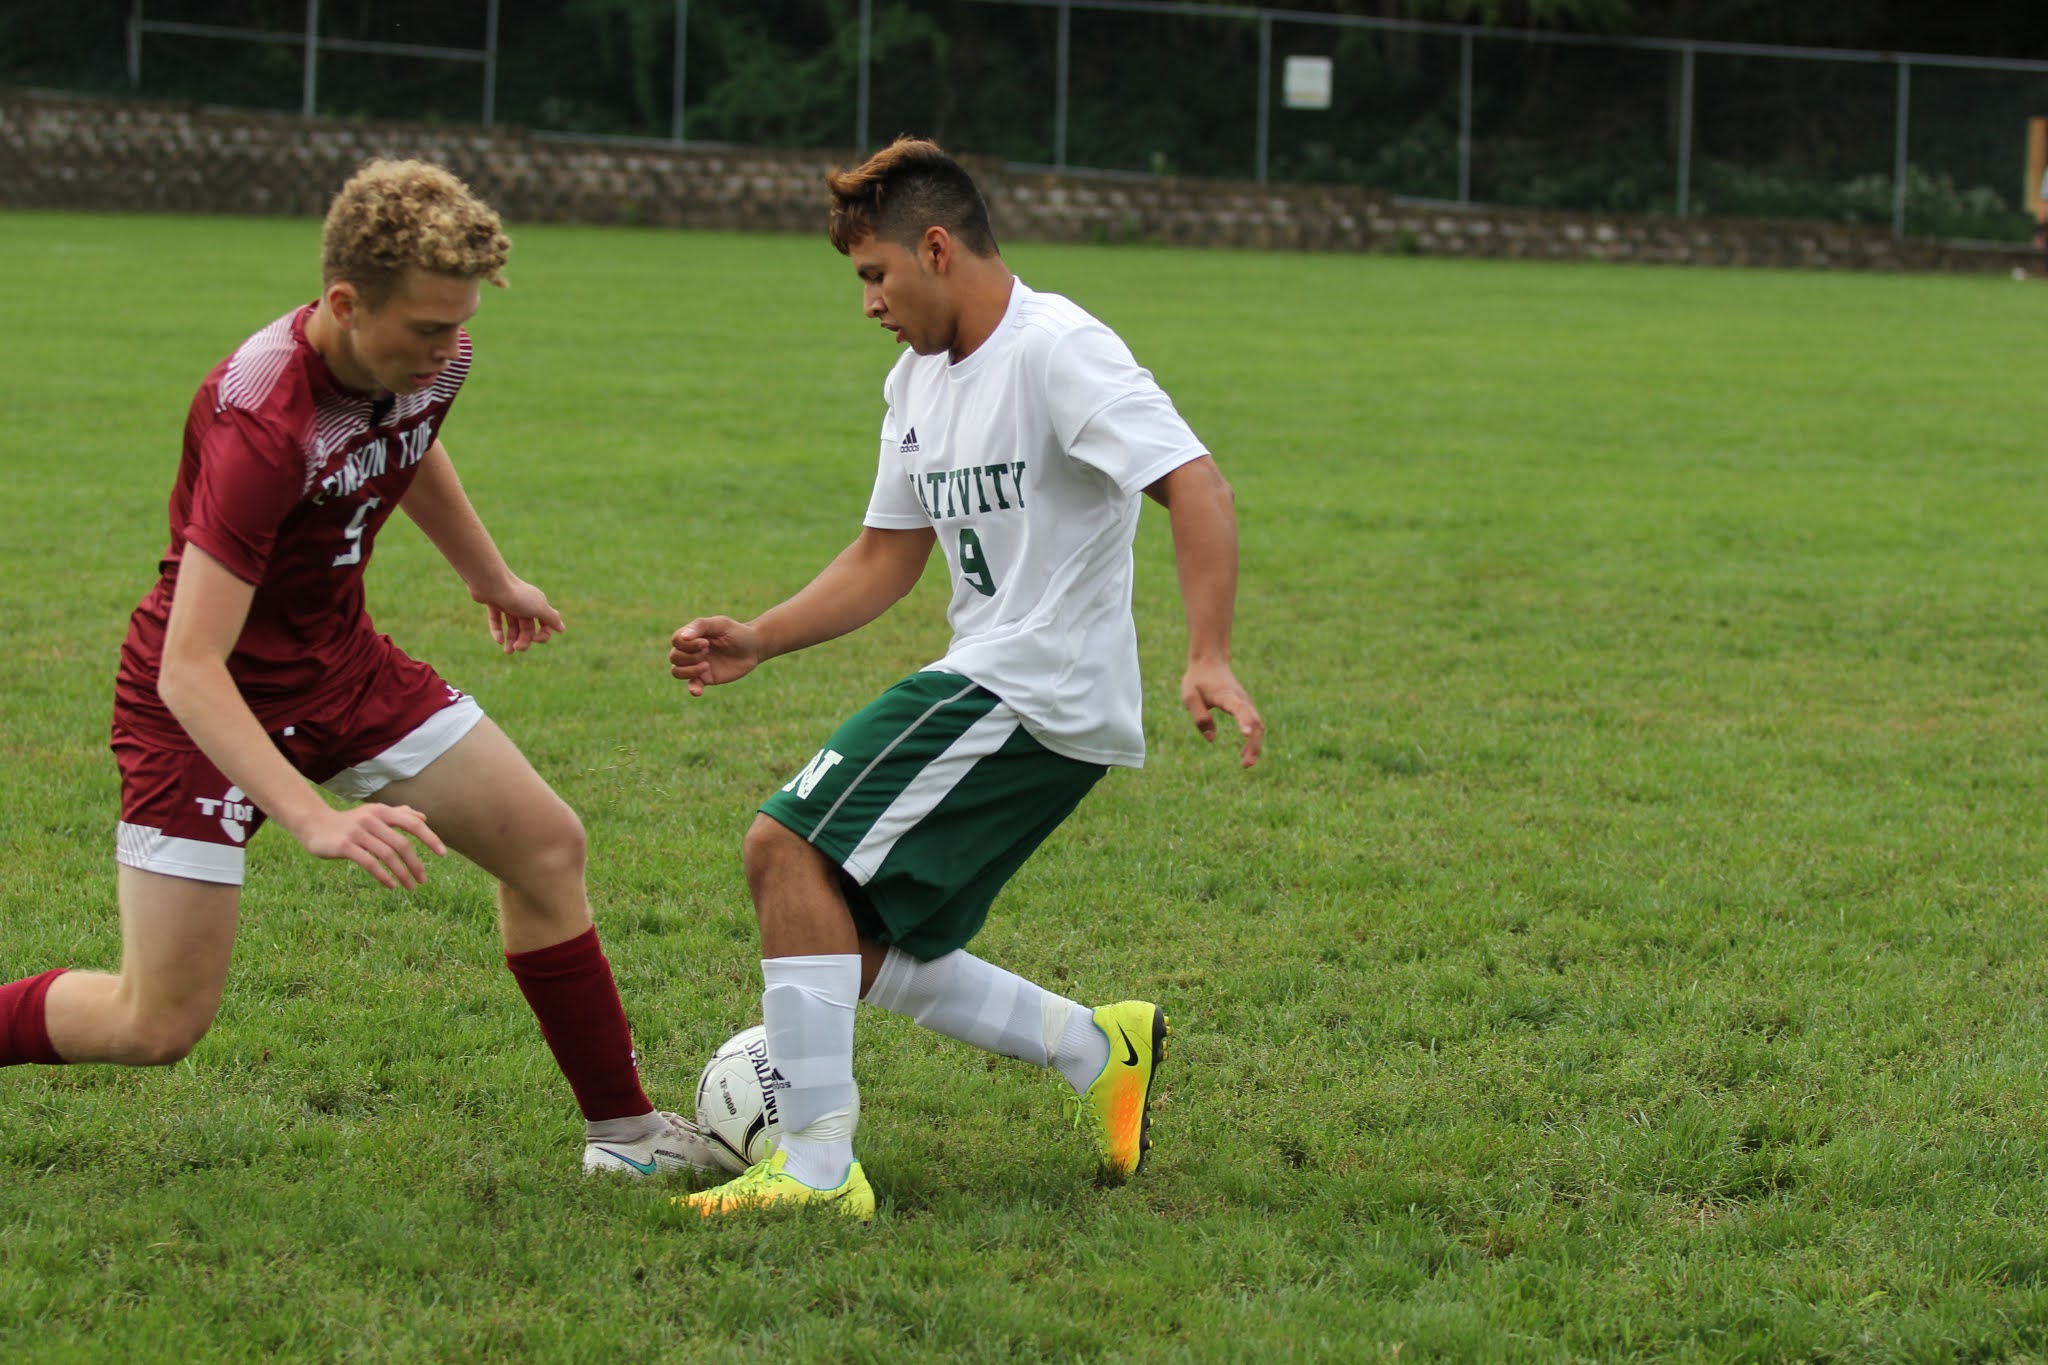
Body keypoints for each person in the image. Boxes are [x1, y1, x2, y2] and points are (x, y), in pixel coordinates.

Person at [0, 158, 719, 1178]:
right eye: (425, 328)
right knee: (154, 1022)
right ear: (343, 302)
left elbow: (408, 438)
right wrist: (314, 818)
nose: (447, 350)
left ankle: (624, 1135)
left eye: (457, 325)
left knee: (547, 846)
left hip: (342, 669)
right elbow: (189, 668)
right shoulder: (261, 419)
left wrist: (492, 575)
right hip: (202, 713)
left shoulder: (431, 361)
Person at [665, 136, 1264, 1218]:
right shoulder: (913, 384)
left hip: (1032, 687)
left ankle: (811, 1169)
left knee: (782, 847)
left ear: (935, 249)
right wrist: (761, 637)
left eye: (873, 275)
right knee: (849, 937)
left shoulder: (1056, 349)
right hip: (1007, 686)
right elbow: (884, 556)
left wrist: (1206, 654)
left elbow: (1197, 482)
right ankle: (1098, 1049)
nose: (868, 305)